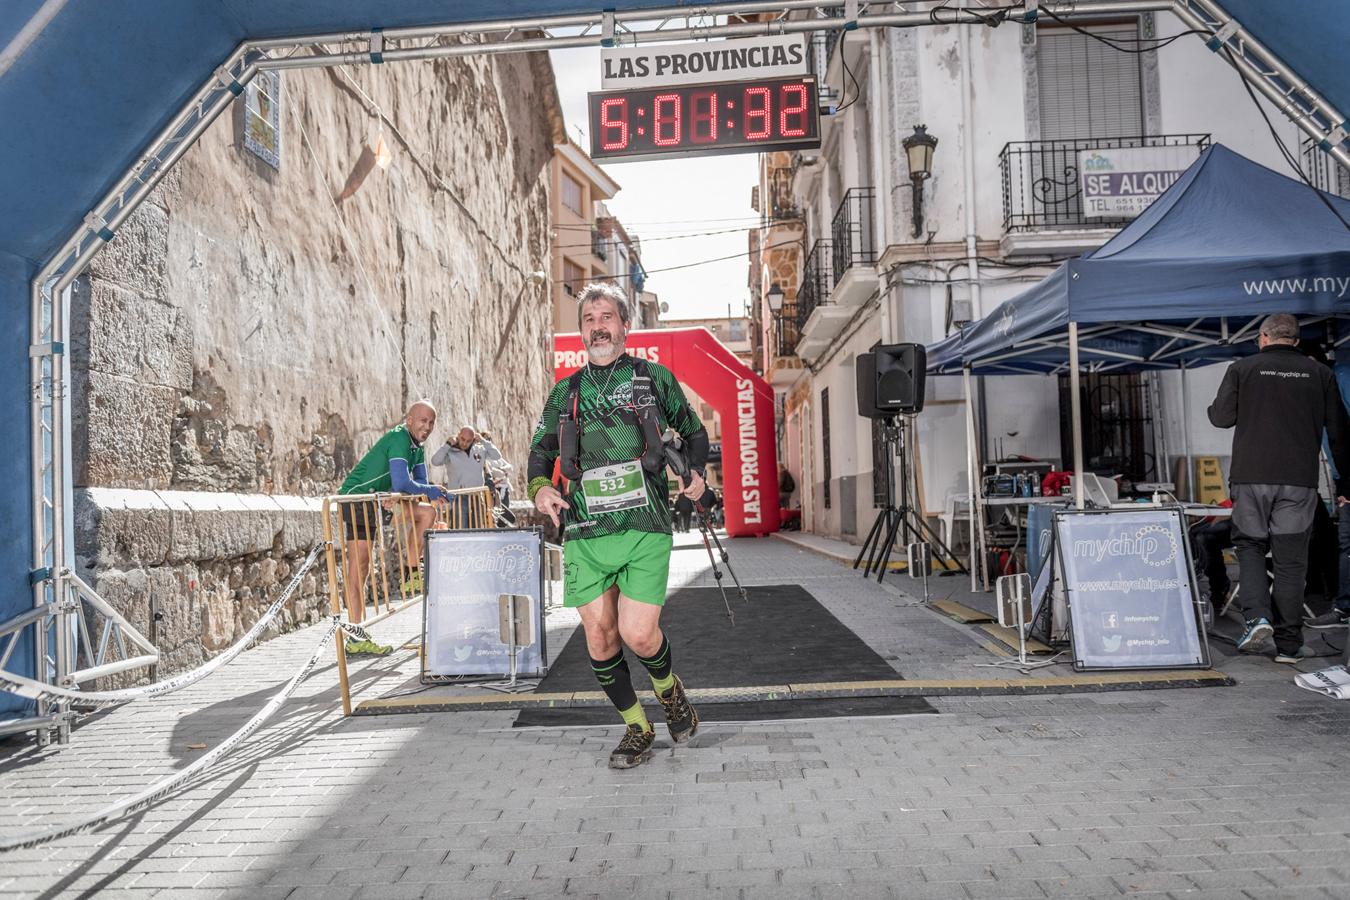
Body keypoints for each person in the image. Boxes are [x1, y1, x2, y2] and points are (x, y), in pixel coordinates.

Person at [528, 282, 710, 769]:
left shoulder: (651, 379)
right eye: (588, 320)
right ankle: (637, 725)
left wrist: (695, 473)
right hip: (585, 530)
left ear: (624, 326)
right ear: (581, 331)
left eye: (606, 316)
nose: (597, 327)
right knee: (599, 637)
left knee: (639, 634)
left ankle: (670, 693)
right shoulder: (565, 393)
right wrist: (540, 488)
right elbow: (541, 451)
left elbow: (693, 430)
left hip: (645, 524)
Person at [1207, 314, 1350, 663]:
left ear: (1263, 338)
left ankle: (1257, 619)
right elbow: (1340, 432)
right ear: (1296, 341)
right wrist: (1347, 480)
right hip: (1298, 481)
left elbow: (1221, 417)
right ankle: (1289, 645)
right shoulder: (1320, 374)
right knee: (1290, 560)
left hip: (1251, 477)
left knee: (1251, 546)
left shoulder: (1242, 369)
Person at [337, 401, 448, 651]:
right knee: (360, 566)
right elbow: (403, 482)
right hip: (357, 498)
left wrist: (407, 492)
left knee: (427, 513)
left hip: (380, 499)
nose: (427, 426)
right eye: (422, 421)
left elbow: (418, 484)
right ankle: (355, 636)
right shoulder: (399, 438)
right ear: (409, 420)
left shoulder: (416, 447)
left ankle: (410, 574)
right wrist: (409, 490)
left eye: (431, 422)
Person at [1308, 350, 1350, 630]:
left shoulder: (1342, 376)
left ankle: (1344, 607)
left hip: (1348, 478)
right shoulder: (1323, 385)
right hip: (1342, 477)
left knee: (1347, 543)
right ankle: (1344, 606)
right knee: (1344, 543)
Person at [432, 425, 503, 525]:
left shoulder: (480, 449)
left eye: (468, 441)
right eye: (462, 439)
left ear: (473, 439)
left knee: (479, 526)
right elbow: (435, 461)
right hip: (459, 496)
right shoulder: (450, 451)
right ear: (458, 435)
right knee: (460, 526)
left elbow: (497, 456)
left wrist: (483, 441)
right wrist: (447, 444)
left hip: (477, 495)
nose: (464, 443)